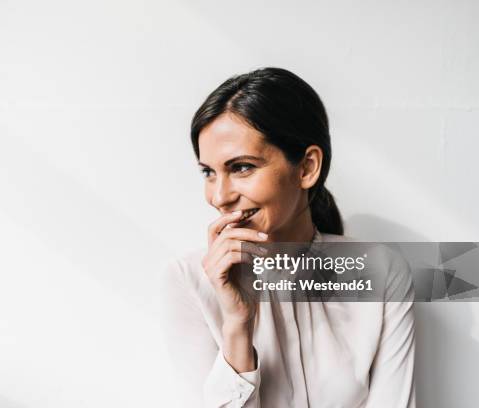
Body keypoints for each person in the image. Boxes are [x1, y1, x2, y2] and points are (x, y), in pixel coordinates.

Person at [161, 67, 415, 407]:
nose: (219, 196)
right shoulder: (187, 279)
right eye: (209, 172)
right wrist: (237, 325)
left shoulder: (381, 270)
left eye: (241, 167)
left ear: (307, 167)